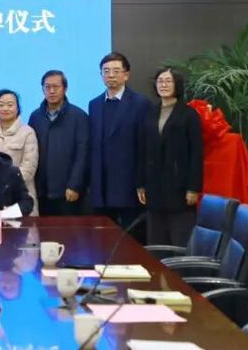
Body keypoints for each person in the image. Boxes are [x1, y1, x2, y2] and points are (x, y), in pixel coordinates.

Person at [138, 67, 203, 246]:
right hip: (154, 186)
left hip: (179, 187)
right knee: (156, 242)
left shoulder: (189, 114)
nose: (163, 85)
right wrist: (140, 184)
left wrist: (193, 188)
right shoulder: (150, 112)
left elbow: (196, 153)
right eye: (160, 81)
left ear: (177, 85)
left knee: (179, 240)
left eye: (168, 81)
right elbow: (143, 149)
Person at [87, 52, 151, 228]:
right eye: (106, 71)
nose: (111, 75)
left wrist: (142, 183)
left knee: (131, 237)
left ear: (126, 75)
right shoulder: (94, 104)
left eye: (116, 71)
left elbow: (145, 146)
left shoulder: (141, 103)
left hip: (129, 185)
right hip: (101, 186)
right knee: (103, 237)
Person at [27, 70, 89, 216]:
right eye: (47, 87)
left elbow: (83, 154)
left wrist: (75, 185)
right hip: (41, 190)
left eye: (56, 87)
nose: (51, 91)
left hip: (68, 190)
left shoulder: (79, 116)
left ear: (65, 89)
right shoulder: (35, 117)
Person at [0, 89, 39, 216]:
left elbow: (29, 168)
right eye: (1, 105)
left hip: (22, 195)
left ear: (18, 108)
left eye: (10, 105)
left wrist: (7, 184)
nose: (5, 108)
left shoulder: (28, 132)